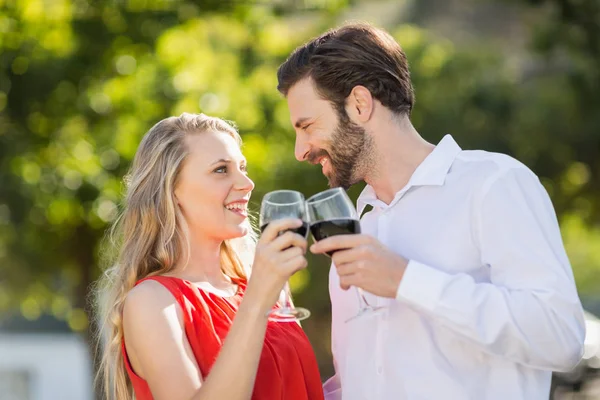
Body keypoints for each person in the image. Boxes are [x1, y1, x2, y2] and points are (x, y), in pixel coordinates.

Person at [277, 22, 586, 400]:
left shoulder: (491, 183)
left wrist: (407, 280)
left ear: (359, 104)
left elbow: (559, 336)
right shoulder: (357, 224)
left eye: (307, 126)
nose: (300, 149)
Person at [94, 113, 325, 400]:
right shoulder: (152, 302)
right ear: (172, 189)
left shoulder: (262, 287)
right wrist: (257, 299)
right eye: (220, 170)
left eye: (243, 167)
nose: (247, 183)